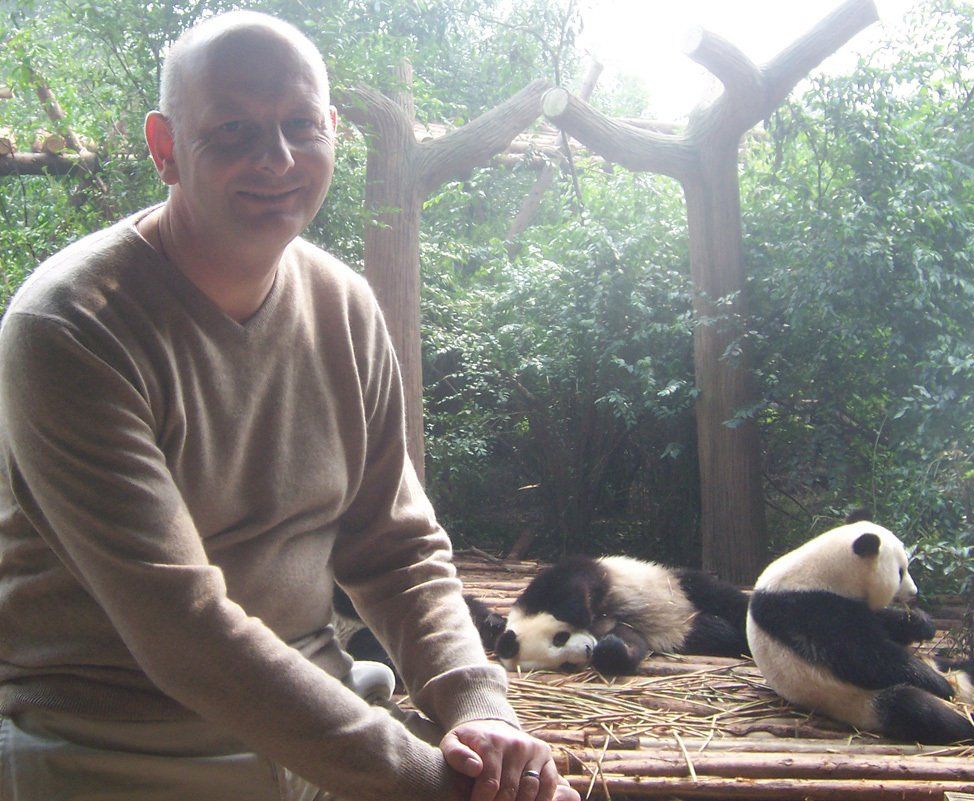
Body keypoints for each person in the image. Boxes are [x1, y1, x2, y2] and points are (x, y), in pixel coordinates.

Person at [0, 11, 579, 801]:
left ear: (333, 130)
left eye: (301, 125)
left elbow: (396, 548)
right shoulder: (72, 328)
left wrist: (482, 713)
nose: (276, 159)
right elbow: (186, 631)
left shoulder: (342, 306)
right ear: (164, 147)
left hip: (320, 715)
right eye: (233, 129)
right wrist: (430, 781)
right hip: (121, 738)